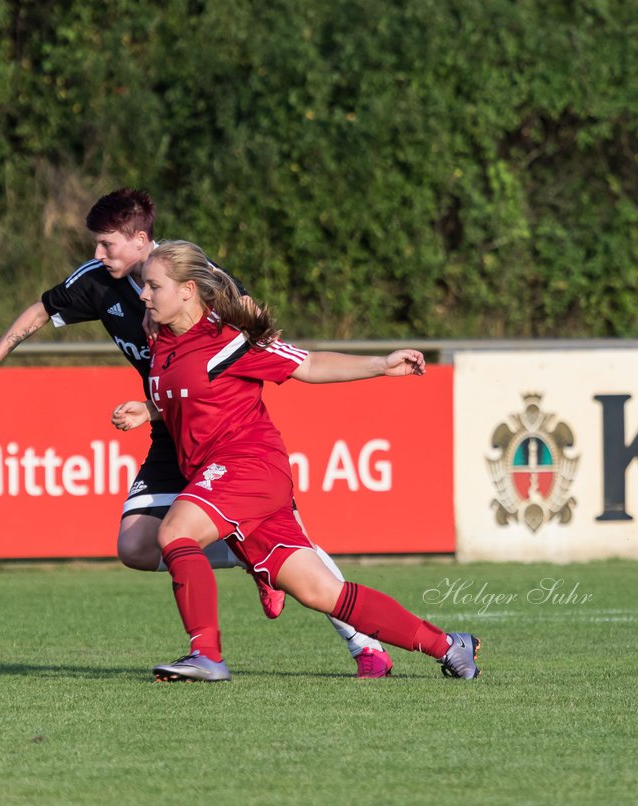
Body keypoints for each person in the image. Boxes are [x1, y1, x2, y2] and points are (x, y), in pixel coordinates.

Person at [0, 189, 396, 677]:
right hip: (169, 425)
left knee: (296, 557)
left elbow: (258, 352)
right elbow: (39, 310)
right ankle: (254, 558)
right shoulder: (98, 282)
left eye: (106, 244)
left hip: (222, 428)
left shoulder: (195, 280)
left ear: (141, 240)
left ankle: (365, 646)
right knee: (136, 547)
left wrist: (374, 364)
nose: (98, 255)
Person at [111, 239, 481, 682]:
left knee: (175, 531)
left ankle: (206, 655)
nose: (143, 295)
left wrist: (382, 364)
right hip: (230, 483)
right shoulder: (163, 344)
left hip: (250, 466)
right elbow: (193, 395)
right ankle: (449, 645)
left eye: (153, 286)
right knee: (323, 591)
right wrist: (149, 409)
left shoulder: (229, 341)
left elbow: (309, 365)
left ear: (188, 289)